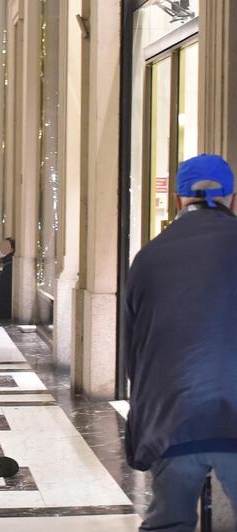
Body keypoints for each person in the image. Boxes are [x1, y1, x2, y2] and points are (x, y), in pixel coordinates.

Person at [124, 153, 237, 531]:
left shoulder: (149, 258)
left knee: (168, 522)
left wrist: (144, 427)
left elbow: (134, 351)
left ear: (178, 200)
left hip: (172, 417)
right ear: (232, 198)